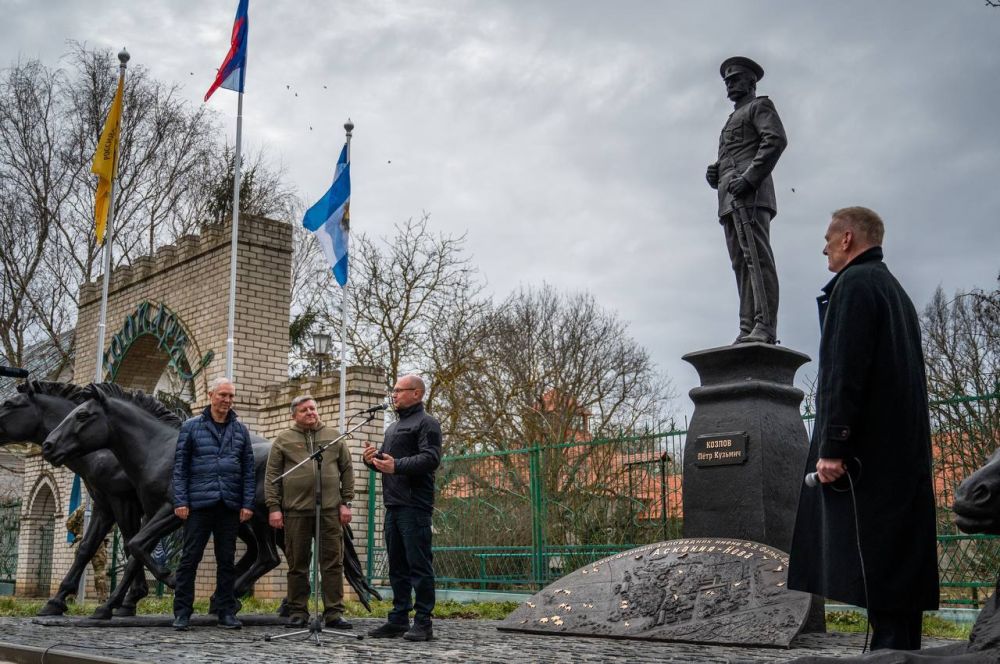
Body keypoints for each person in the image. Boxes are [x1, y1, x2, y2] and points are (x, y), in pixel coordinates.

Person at [788, 207, 939, 651]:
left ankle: (889, 655)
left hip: (866, 458)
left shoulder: (853, 287)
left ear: (848, 239)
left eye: (828, 239)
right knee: (896, 576)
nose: (824, 247)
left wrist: (833, 446)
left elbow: (843, 372)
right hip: (898, 455)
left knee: (876, 567)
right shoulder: (892, 289)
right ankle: (896, 652)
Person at [706, 56, 788, 344]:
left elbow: (775, 140)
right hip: (729, 199)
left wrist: (750, 178)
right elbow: (734, 155)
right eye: (727, 80)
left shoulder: (759, 106)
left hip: (751, 196)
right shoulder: (731, 119)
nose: (729, 84)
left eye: (735, 78)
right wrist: (716, 172)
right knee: (741, 264)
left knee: (757, 259)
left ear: (751, 82)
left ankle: (765, 327)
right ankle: (747, 327)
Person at [171, 377, 255, 631]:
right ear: (211, 395)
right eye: (223, 395)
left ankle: (225, 610)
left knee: (226, 561)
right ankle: (183, 612)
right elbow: (180, 467)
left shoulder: (240, 430)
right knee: (189, 559)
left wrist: (247, 503)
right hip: (198, 504)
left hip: (229, 504)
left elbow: (248, 470)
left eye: (231, 396)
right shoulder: (191, 427)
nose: (227, 401)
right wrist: (181, 500)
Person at [362, 374, 442, 642]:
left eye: (399, 390)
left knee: (418, 565)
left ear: (417, 394)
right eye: (393, 390)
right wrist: (372, 460)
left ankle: (423, 622)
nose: (393, 395)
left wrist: (397, 465)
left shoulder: (427, 423)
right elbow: (387, 462)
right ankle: (398, 619)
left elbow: (430, 459)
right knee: (396, 566)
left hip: (415, 505)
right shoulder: (393, 428)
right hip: (393, 504)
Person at [264, 395, 354, 629]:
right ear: (294, 414)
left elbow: (347, 470)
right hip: (295, 511)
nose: (311, 412)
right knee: (298, 564)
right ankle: (298, 612)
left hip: (329, 511)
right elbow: (272, 476)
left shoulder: (334, 437)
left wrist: (346, 503)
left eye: (313, 408)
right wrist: (274, 508)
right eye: (304, 410)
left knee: (332, 563)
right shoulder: (283, 439)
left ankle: (334, 612)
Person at [66, 506, 109, 601]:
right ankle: (102, 598)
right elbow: (111, 526)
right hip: (98, 542)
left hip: (83, 540)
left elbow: (69, 523)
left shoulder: (83, 507)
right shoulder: (105, 506)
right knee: (100, 571)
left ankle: (70, 597)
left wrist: (78, 533)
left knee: (77, 569)